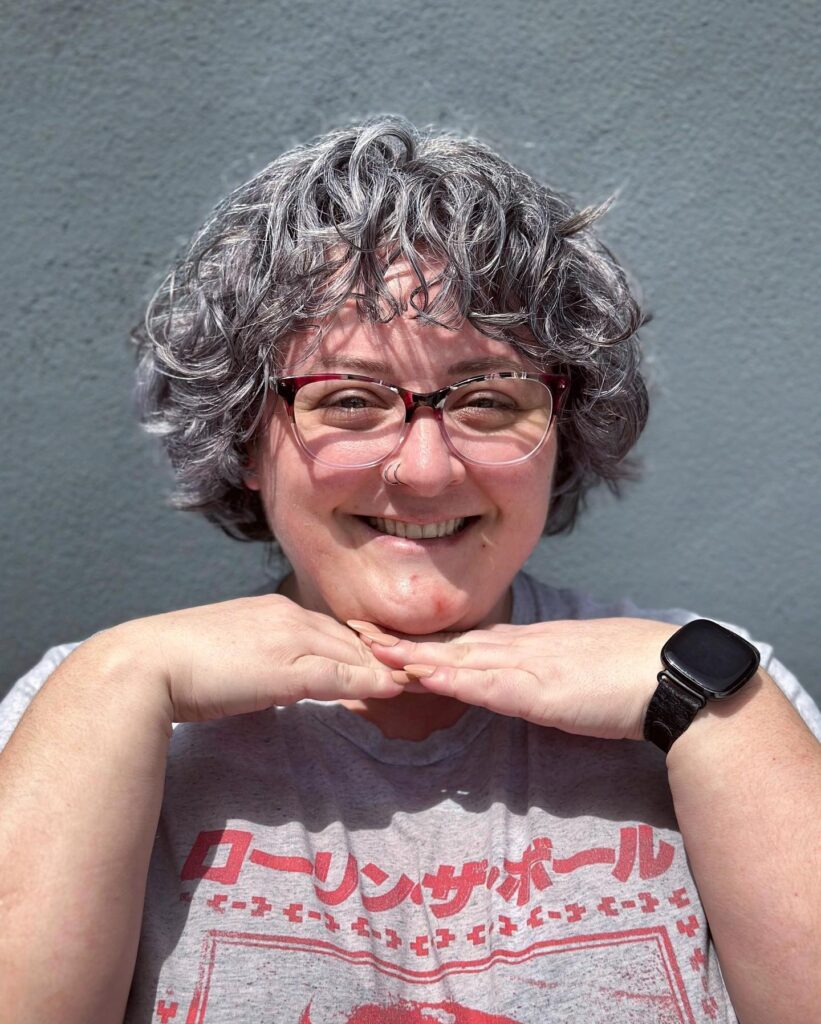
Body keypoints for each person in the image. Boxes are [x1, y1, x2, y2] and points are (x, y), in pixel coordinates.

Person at [1, 116, 818, 1024]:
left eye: (488, 400)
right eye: (349, 400)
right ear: (244, 438)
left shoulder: (713, 686)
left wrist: (698, 706)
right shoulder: (94, 707)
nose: (425, 469)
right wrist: (115, 677)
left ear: (563, 431)